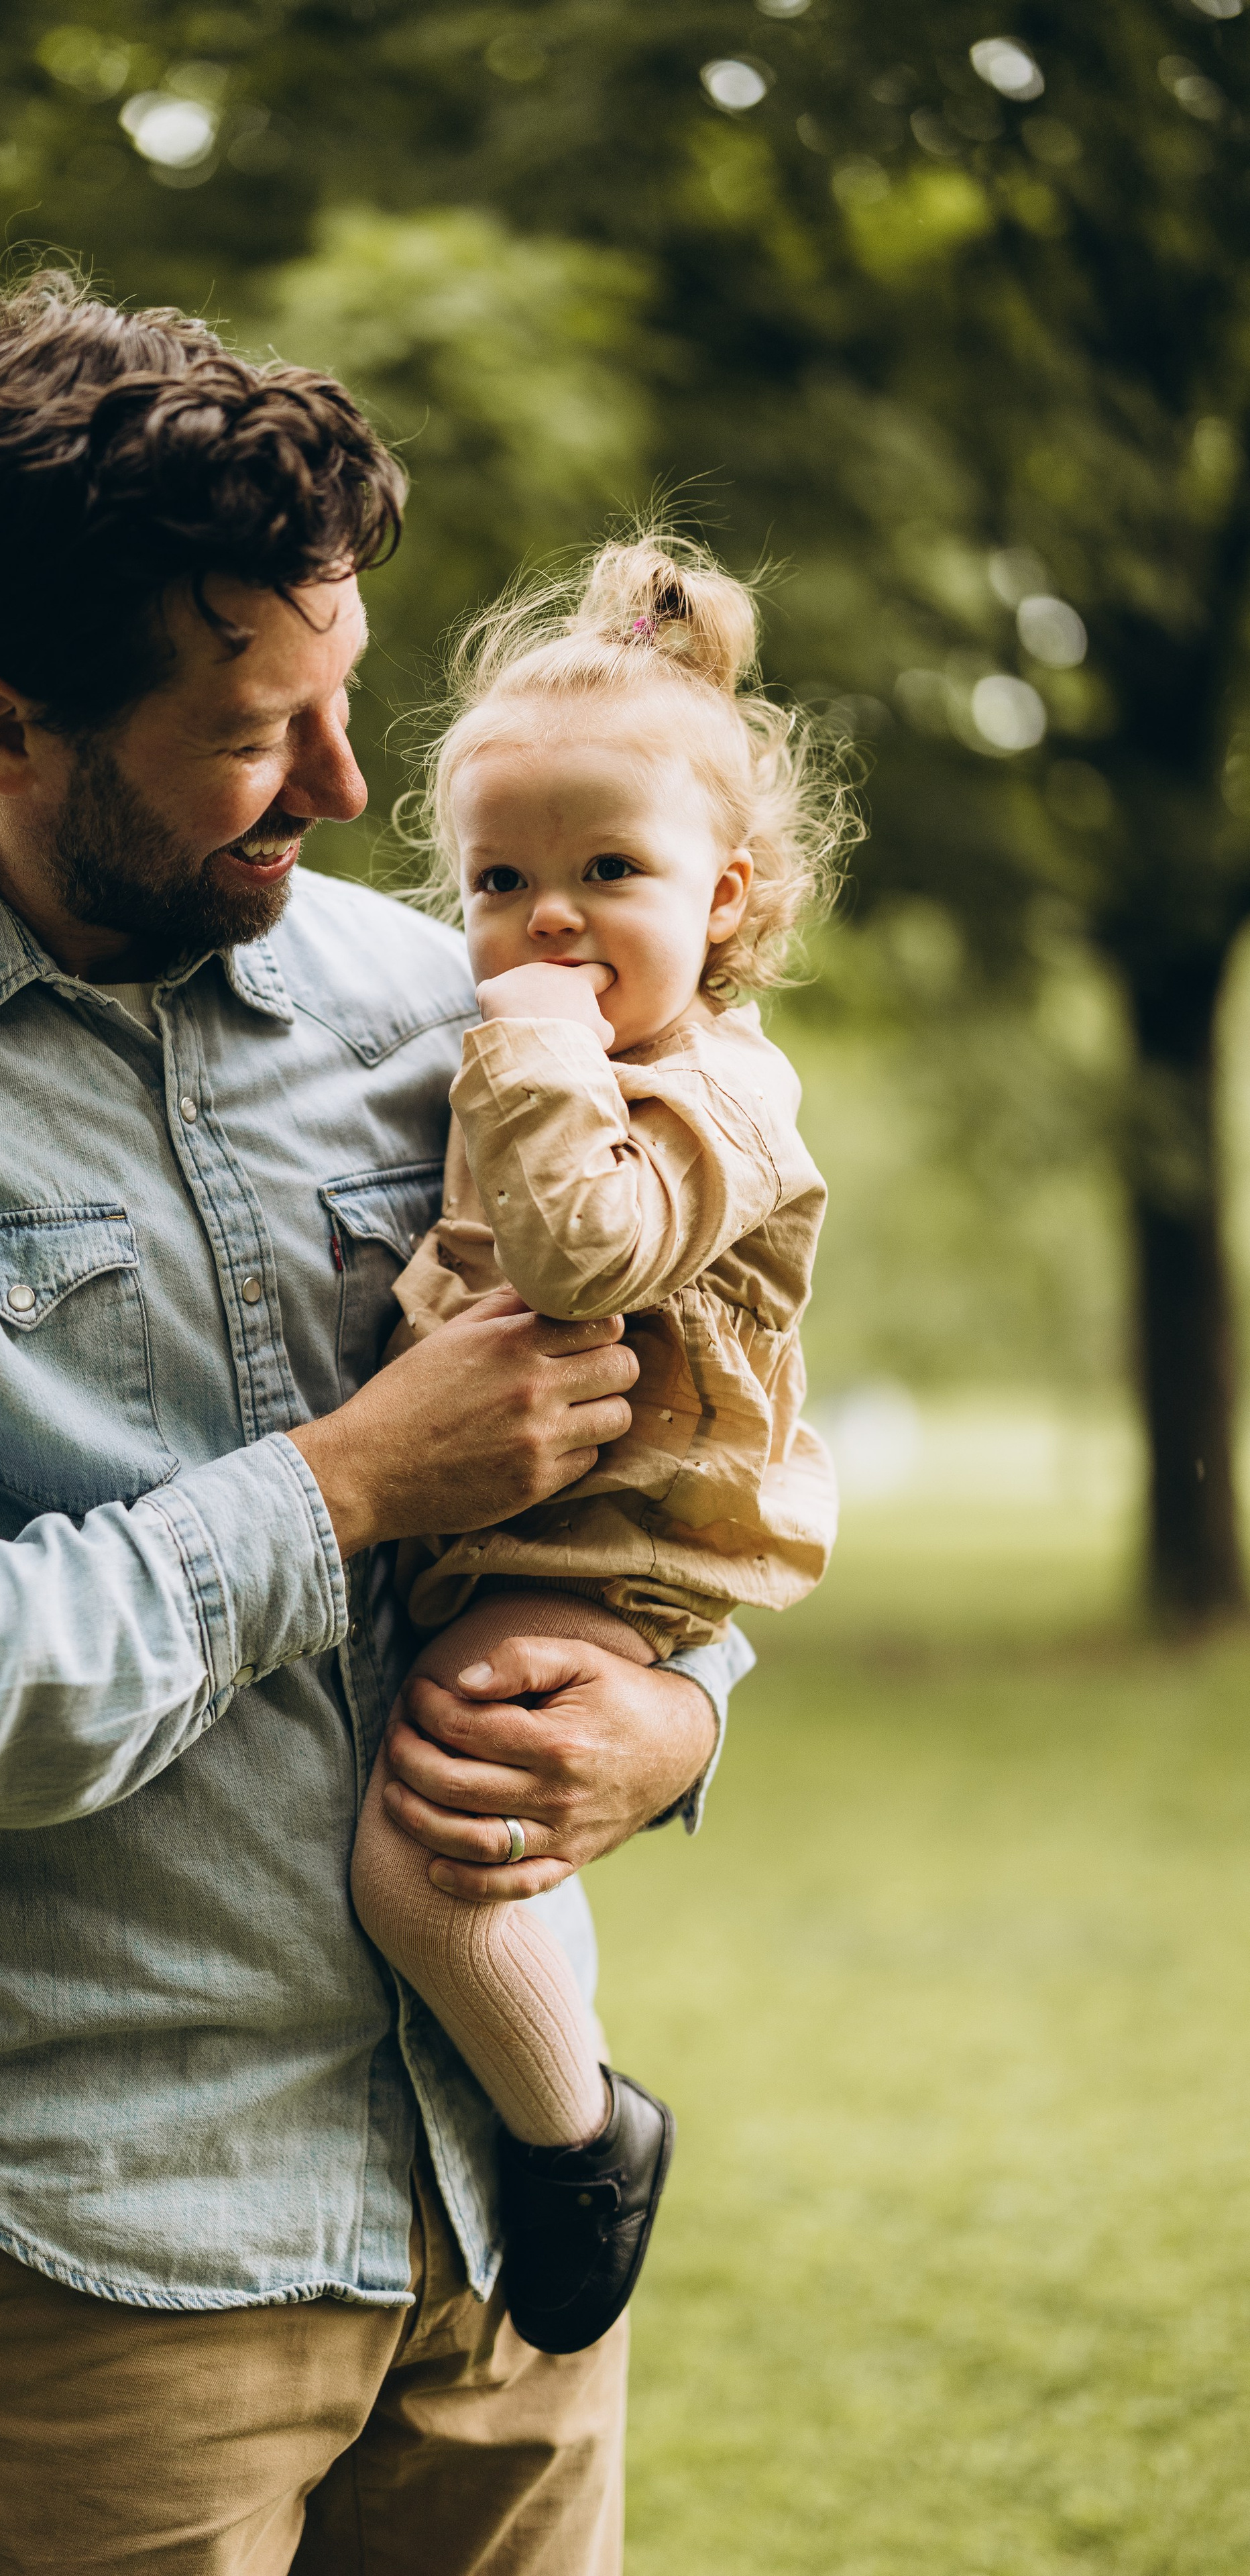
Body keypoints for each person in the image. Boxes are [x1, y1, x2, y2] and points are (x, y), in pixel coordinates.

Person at [0, 270, 752, 2576]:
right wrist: (348, 1485)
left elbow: (675, 1436)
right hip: (92, 2272)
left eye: (341, 699)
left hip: (511, 2219)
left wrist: (677, 1721)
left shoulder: (447, 1003)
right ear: (4, 724)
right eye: (252, 734)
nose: (342, 791)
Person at [349, 537, 844, 2356]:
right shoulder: (554, 1048)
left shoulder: (719, 1094)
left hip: (606, 1554)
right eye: (500, 881)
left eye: (607, 875)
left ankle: (579, 2138)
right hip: (522, 1527)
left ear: (727, 897)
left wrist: (536, 1048)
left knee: (431, 1850)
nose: (546, 924)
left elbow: (578, 1249)